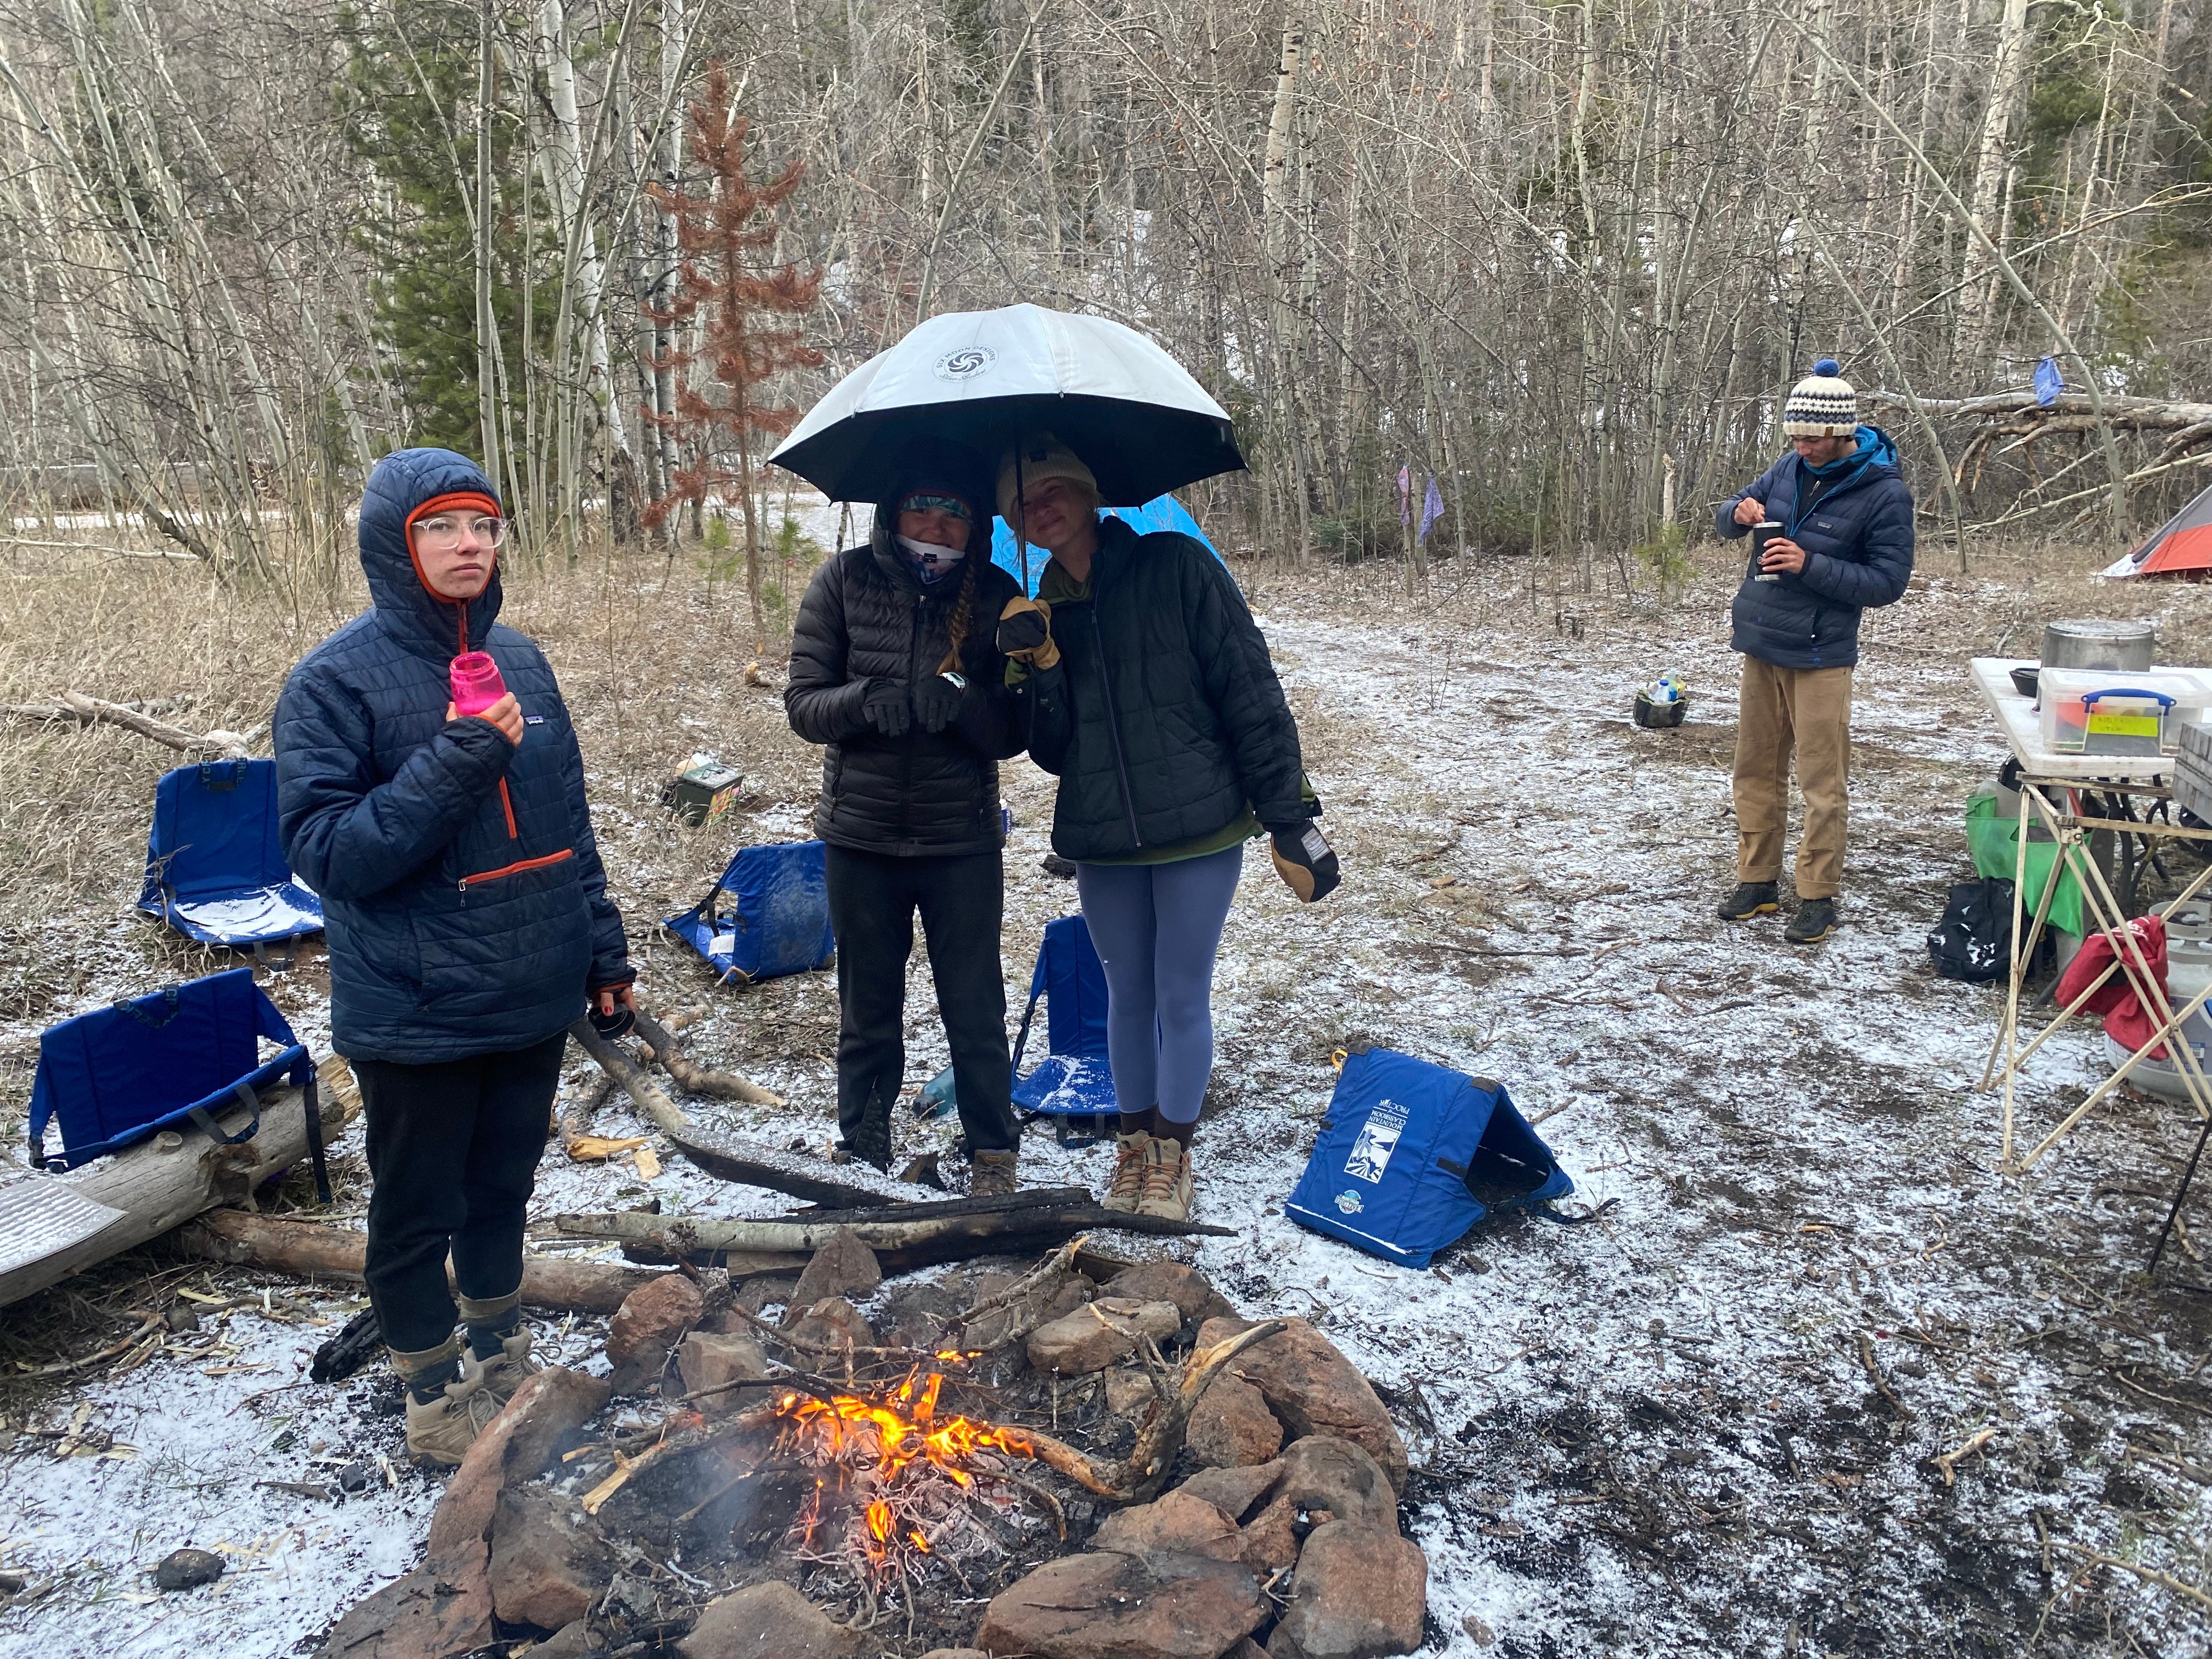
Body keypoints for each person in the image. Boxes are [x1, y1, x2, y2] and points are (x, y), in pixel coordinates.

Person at [275, 449, 636, 1465]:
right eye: (442, 526)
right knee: (415, 1209)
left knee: (502, 1190)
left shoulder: (522, 659)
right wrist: (462, 752)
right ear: (397, 543)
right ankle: (434, 1394)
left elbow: (569, 822)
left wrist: (600, 950)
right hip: (420, 1004)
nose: (469, 543)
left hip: (534, 985)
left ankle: (499, 1350)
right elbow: (331, 854)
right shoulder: (333, 680)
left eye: (482, 523)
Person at [997, 435, 1336, 1222]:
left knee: (1181, 997)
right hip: (1101, 838)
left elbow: (1250, 690)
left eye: (1054, 488)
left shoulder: (1177, 567)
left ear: (1089, 494)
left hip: (1202, 826)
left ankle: (1173, 1159)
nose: (1041, 506)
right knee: (1126, 996)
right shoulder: (1039, 613)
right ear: (1012, 523)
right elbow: (1050, 752)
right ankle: (1133, 1149)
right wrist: (1040, 668)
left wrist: (1288, 817)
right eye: (1023, 501)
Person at [785, 441, 1028, 1192]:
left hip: (961, 840)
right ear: (893, 513)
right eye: (923, 506)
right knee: (868, 1010)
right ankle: (863, 1152)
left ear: (976, 523)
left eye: (955, 511)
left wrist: (964, 708)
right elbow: (803, 705)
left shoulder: (995, 595)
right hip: (862, 836)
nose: (937, 524)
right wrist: (860, 703)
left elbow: (1016, 733)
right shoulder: (844, 582)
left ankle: (994, 1153)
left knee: (975, 1007)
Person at [1715, 360, 1915, 944]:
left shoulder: (1884, 493)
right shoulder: (1787, 466)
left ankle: (1817, 894)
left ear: (1840, 432)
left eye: (1810, 437)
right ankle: (1757, 881)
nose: (1800, 446)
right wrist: (1738, 513)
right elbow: (1733, 513)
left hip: (1821, 653)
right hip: (1762, 638)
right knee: (1754, 769)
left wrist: (1810, 563)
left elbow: (1887, 583)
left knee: (1822, 783)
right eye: (1794, 436)